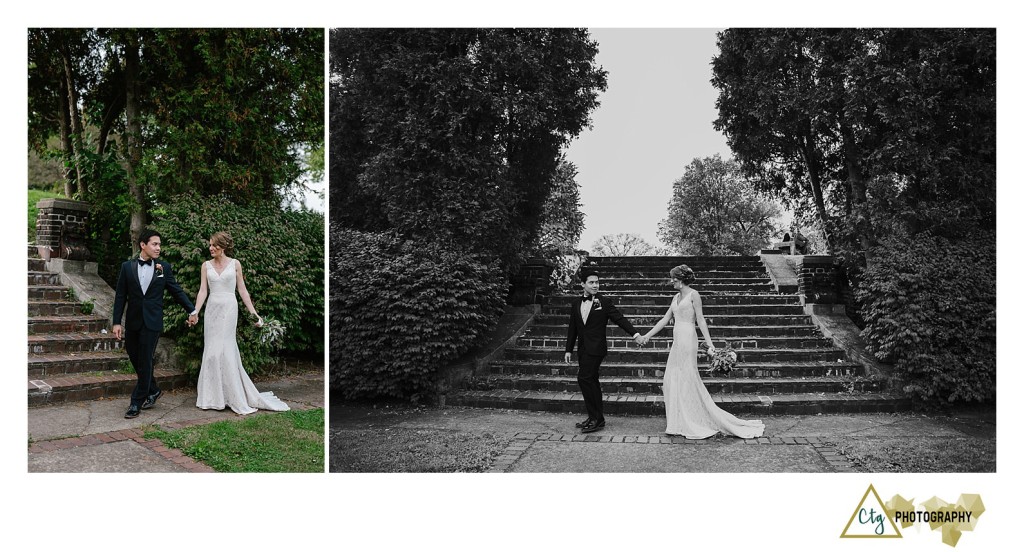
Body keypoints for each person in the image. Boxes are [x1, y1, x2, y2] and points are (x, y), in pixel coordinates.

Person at [638, 264, 765, 439]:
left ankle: (692, 419)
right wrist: (647, 336)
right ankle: (678, 421)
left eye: (673, 278)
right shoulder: (675, 297)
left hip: (688, 338)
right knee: (671, 378)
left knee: (686, 377)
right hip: (677, 341)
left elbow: (701, 320)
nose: (671, 281)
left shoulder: (693, 295)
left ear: (680, 279)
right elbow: (665, 319)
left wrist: (710, 344)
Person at [192, 232, 289, 415]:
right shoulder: (205, 266)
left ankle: (233, 395)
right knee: (212, 351)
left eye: (215, 245)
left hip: (229, 309)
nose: (211, 248)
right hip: (212, 310)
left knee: (226, 349)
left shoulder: (235, 264)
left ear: (224, 246)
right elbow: (203, 291)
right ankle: (212, 397)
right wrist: (195, 311)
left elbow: (242, 290)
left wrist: (254, 314)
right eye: (210, 245)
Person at [112, 229, 198, 419]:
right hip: (133, 321)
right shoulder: (127, 267)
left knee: (145, 359)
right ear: (143, 245)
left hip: (152, 322)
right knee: (134, 356)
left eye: (159, 244)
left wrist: (192, 310)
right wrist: (117, 322)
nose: (159, 248)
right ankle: (152, 389)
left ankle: (136, 401)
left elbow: (176, 291)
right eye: (155, 244)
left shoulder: (163, 267)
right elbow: (120, 296)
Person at [564, 268, 644, 433]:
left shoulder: (604, 302)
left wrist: (635, 334)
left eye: (597, 282)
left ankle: (597, 418)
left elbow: (619, 319)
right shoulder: (576, 303)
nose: (595, 285)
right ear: (583, 284)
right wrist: (568, 350)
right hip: (583, 349)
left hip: (596, 348)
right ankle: (594, 417)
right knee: (590, 380)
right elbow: (573, 328)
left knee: (584, 378)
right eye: (591, 282)